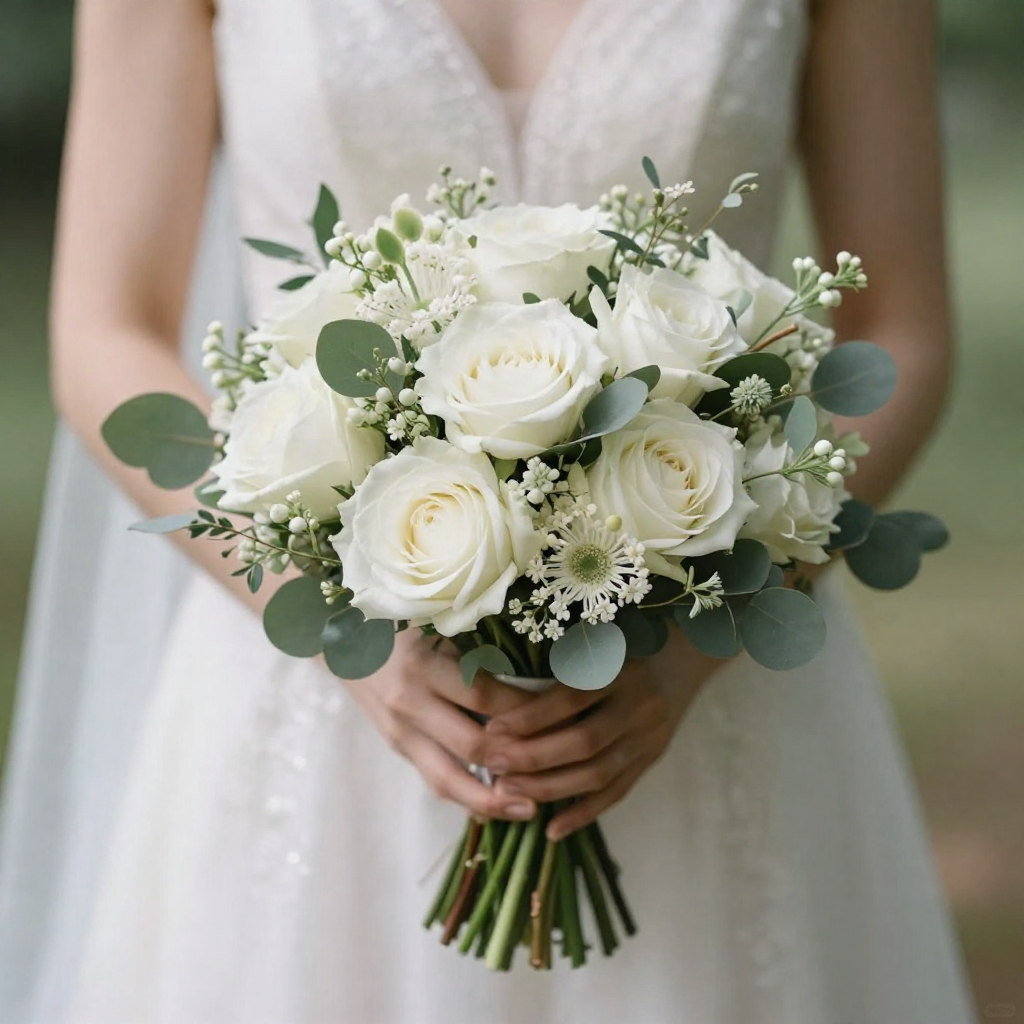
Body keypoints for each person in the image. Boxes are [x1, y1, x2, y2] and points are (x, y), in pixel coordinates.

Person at [0, 0, 975, 1020]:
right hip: (317, 693)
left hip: (704, 681)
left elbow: (899, 327)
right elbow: (108, 332)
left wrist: (694, 650)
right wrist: (338, 623)